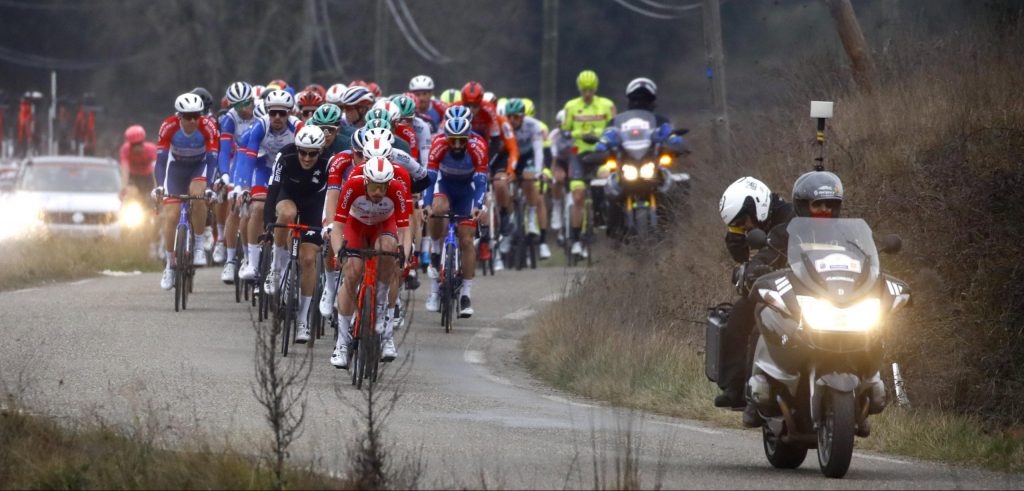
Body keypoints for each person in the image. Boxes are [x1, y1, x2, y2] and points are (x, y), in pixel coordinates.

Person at [726, 171, 843, 428]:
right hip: (799, 298)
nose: (824, 210)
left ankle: (874, 387)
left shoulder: (847, 235)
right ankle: (753, 393)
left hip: (838, 301)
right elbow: (765, 255)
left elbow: (867, 262)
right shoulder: (785, 231)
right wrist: (755, 269)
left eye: (829, 205)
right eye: (817, 204)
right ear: (804, 206)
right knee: (760, 321)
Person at [714, 176, 795, 411]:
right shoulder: (759, 222)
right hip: (778, 289)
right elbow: (738, 253)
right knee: (741, 314)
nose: (744, 226)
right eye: (737, 223)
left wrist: (756, 266)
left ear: (756, 205)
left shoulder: (790, 216)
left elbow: (775, 244)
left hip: (807, 287)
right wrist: (735, 231)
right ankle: (738, 388)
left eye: (743, 220)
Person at [330, 157, 410, 368]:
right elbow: (337, 227)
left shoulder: (397, 188)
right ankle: (342, 343)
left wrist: (404, 255)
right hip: (356, 225)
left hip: (383, 225)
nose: (378, 192)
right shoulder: (353, 185)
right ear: (366, 181)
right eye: (374, 186)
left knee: (389, 251)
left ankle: (385, 323)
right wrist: (339, 252)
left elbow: (404, 230)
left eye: (383, 187)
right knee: (352, 272)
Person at [262, 125, 330, 343]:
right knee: (287, 214)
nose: (307, 158)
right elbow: (272, 191)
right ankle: (276, 268)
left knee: (309, 259)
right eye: (303, 152)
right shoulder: (286, 156)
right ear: (297, 148)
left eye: (312, 153)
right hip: (288, 195)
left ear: (320, 151)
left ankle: (303, 319)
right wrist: (268, 225)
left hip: (314, 205)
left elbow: (330, 199)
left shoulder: (328, 164)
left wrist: (327, 226)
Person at [152, 93, 219, 289]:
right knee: (171, 216)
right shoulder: (169, 126)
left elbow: (213, 159)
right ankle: (169, 266)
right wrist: (159, 185)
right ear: (179, 116)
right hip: (176, 169)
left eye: (196, 116)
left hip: (199, 166)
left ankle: (198, 246)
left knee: (198, 196)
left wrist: (211, 187)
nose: (192, 121)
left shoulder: (208, 127)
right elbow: (161, 160)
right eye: (187, 116)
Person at [422, 117, 488, 317]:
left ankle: (466, 294)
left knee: (467, 239)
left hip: (467, 190)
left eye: (462, 140)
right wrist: (426, 204)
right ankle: (434, 252)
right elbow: (430, 178)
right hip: (445, 186)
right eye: (453, 140)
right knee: (438, 208)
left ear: (469, 137)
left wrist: (478, 206)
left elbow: (482, 182)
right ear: (446, 137)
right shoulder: (439, 143)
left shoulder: (478, 146)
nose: (458, 144)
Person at [236, 90, 301, 287]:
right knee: (257, 208)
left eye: (282, 113)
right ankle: (253, 264)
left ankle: (286, 261)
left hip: (289, 174)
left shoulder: (298, 127)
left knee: (292, 214)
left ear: (289, 113)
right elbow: (249, 157)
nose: (277, 118)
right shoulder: (260, 126)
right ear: (267, 112)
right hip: (264, 170)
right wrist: (244, 187)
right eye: (273, 113)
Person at [560, 70, 616, 258]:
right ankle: (575, 239)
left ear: (595, 88)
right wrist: (579, 135)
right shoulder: (571, 106)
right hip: (579, 155)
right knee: (578, 196)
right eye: (584, 90)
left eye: (590, 90)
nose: (587, 94)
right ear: (579, 89)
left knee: (606, 178)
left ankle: (604, 215)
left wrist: (601, 135)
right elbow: (565, 130)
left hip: (600, 154)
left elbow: (615, 127)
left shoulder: (607, 105)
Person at [217, 82, 256, 280]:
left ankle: (256, 255)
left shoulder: (263, 112)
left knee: (257, 207)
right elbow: (224, 150)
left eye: (247, 103)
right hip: (240, 160)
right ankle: (230, 260)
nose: (244, 109)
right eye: (238, 105)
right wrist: (224, 174)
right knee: (234, 206)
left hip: (261, 158)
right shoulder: (230, 119)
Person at [504, 98, 551, 259]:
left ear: (523, 117)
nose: (512, 121)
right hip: (510, 157)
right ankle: (508, 224)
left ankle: (531, 218)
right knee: (503, 183)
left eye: (516, 117)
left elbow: (538, 150)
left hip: (528, 157)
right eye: (509, 117)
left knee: (530, 178)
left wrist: (538, 171)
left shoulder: (533, 125)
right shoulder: (504, 126)